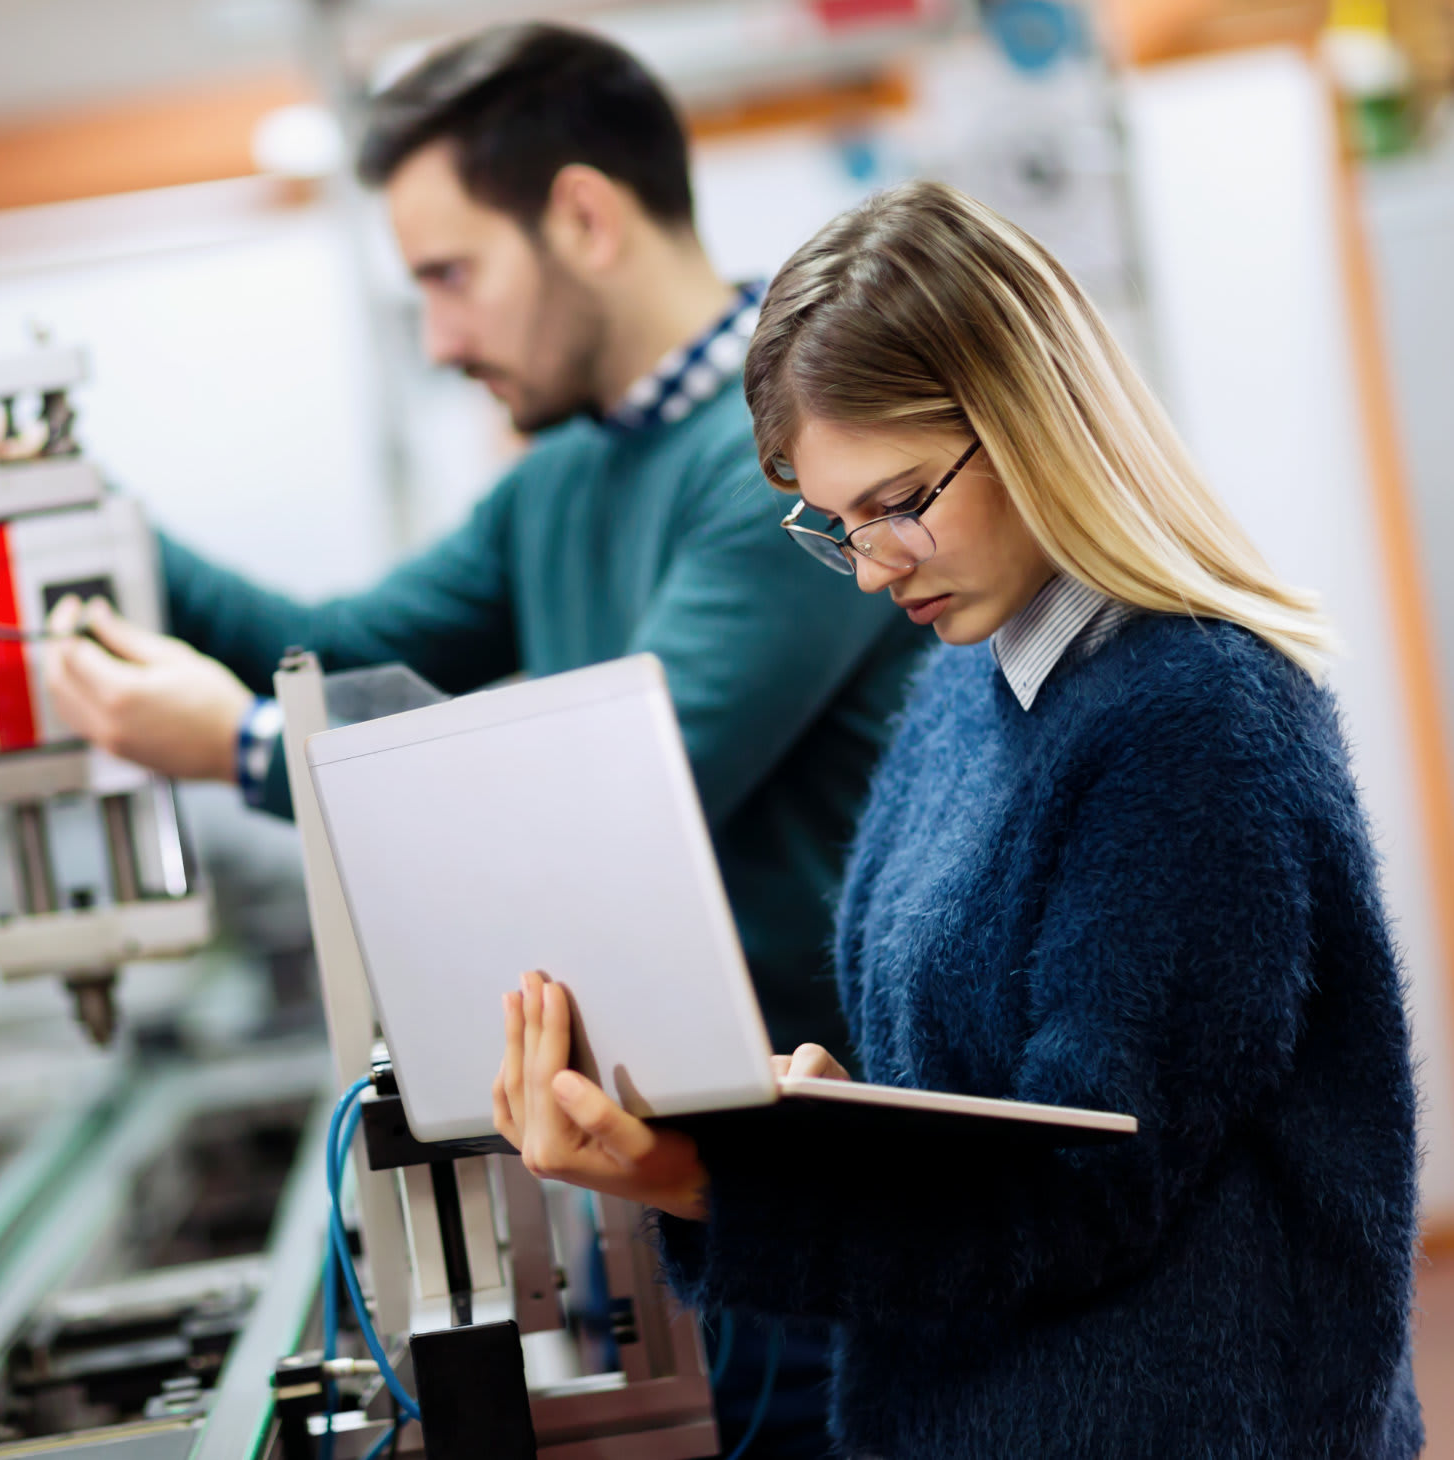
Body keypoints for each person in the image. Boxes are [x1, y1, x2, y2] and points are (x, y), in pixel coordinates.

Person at [44, 26, 928, 1458]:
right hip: (677, 1179)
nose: (443, 339)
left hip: (823, 1174)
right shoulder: (567, 472)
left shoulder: (788, 455)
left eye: (451, 276)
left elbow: (611, 812)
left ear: (583, 215)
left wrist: (245, 752)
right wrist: (80, 522)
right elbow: (333, 645)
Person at [493, 179, 1424, 1459]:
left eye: (897, 502)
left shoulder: (1193, 719)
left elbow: (1082, 1191)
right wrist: (835, 1121)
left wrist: (701, 1181)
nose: (872, 566)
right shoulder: (962, 688)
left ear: (1026, 416)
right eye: (835, 524)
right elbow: (995, 1101)